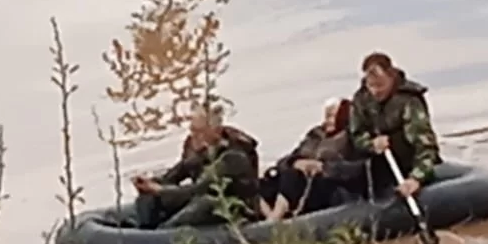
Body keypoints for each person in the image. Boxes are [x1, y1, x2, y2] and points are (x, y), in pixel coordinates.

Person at [131, 103, 261, 229]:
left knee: (206, 203)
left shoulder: (234, 156)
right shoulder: (195, 147)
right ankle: (143, 228)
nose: (194, 136)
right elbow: (174, 174)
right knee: (150, 194)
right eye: (192, 130)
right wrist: (150, 184)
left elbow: (199, 188)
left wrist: (160, 190)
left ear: (216, 131)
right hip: (198, 199)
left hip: (231, 207)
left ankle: (161, 234)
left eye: (200, 132)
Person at [348, 52, 442, 198]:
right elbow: (357, 134)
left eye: (380, 85)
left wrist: (416, 178)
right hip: (380, 167)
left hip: (409, 162)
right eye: (371, 85)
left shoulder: (409, 100)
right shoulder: (361, 100)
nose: (375, 91)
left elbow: (425, 146)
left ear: (391, 77)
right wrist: (371, 144)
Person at [259, 97, 366, 220]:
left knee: (292, 177)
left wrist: (322, 167)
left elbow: (357, 169)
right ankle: (267, 217)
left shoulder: (351, 137)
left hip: (327, 185)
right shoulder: (315, 135)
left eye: (332, 116)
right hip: (299, 178)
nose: (328, 120)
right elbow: (287, 159)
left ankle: (275, 218)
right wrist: (295, 162)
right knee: (267, 180)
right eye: (327, 116)